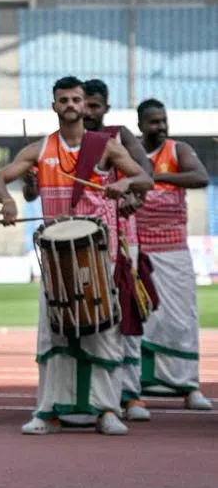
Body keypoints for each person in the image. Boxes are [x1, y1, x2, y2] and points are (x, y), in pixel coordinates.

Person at [0, 76, 152, 436]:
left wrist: (125, 183)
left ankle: (107, 410)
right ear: (54, 106)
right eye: (63, 99)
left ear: (83, 103)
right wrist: (10, 200)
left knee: (103, 334)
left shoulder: (106, 146)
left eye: (76, 99)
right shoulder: (39, 149)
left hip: (98, 254)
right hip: (56, 260)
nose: (71, 105)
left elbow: (144, 179)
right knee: (53, 337)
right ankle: (47, 412)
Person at [77, 78, 156, 420]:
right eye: (85, 105)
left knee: (126, 311)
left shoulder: (118, 135)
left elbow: (145, 172)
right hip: (80, 243)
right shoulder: (64, 142)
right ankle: (88, 393)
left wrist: (133, 197)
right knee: (84, 317)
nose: (89, 111)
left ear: (106, 108)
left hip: (122, 239)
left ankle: (131, 393)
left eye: (95, 105)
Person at [133, 98, 212, 410]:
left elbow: (200, 177)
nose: (161, 126)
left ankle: (188, 385)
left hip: (173, 248)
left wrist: (157, 178)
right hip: (138, 247)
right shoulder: (130, 152)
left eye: (163, 120)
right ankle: (135, 385)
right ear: (140, 125)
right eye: (153, 121)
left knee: (181, 320)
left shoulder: (178, 150)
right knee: (138, 319)